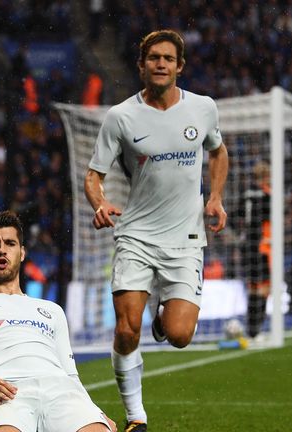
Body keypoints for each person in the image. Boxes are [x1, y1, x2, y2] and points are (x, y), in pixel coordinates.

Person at [84, 30, 229, 432]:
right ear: (142, 65)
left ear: (179, 66)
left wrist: (214, 197)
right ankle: (137, 417)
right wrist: (99, 203)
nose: (161, 64)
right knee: (126, 329)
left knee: (180, 335)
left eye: (168, 58)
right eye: (153, 58)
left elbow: (218, 151)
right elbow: (94, 175)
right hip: (136, 237)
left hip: (185, 241)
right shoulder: (121, 117)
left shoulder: (202, 109)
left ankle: (163, 323)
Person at [0, 211, 116, 432]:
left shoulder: (52, 310)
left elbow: (70, 375)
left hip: (62, 393)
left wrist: (92, 410)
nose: (2, 249)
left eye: (10, 243)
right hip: (7, 396)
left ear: (21, 253)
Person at [240, 161, 271, 339]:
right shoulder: (268, 195)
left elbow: (237, 216)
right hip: (263, 245)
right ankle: (257, 329)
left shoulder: (246, 193)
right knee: (263, 288)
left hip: (248, 246)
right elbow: (269, 220)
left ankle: (250, 328)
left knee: (252, 286)